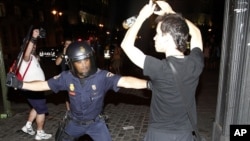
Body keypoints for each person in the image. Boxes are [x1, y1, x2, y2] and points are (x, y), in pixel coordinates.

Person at [6, 41, 148, 141]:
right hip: (75, 122)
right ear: (71, 63)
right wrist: (20, 83)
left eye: (86, 60)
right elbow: (43, 85)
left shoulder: (102, 76)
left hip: (96, 124)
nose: (84, 65)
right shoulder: (66, 77)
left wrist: (149, 84)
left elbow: (126, 81)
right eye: (79, 62)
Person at [121, 1, 204, 141]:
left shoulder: (159, 69)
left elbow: (126, 45)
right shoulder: (196, 63)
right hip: (185, 135)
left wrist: (142, 17)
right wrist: (172, 13)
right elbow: (196, 33)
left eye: (158, 34)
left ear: (168, 38)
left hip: (160, 135)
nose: (154, 37)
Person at [18, 28, 52, 140]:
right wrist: (33, 38)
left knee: (36, 107)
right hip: (32, 89)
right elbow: (27, 52)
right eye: (31, 45)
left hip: (36, 89)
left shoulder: (33, 57)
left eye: (34, 45)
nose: (34, 46)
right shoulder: (25, 57)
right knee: (41, 110)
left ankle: (28, 126)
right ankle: (40, 133)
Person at [55, 38, 72, 111]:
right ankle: (69, 111)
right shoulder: (61, 54)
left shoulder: (74, 53)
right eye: (66, 44)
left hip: (74, 76)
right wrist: (63, 54)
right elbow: (57, 63)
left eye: (70, 44)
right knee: (67, 94)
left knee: (74, 93)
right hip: (65, 77)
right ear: (64, 45)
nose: (68, 45)